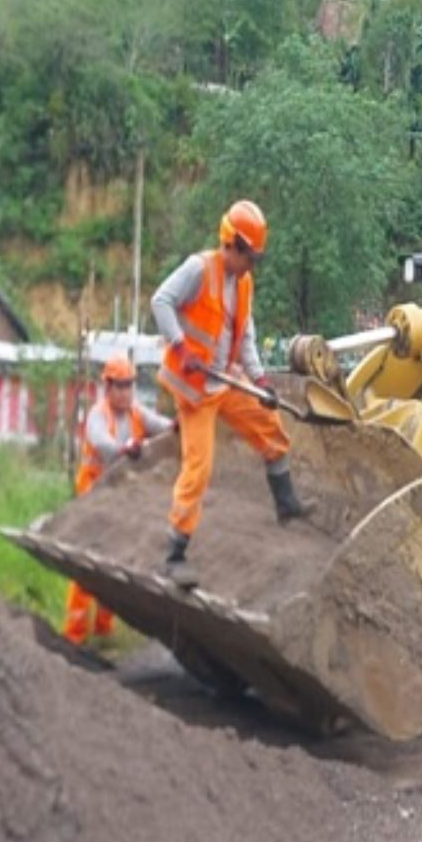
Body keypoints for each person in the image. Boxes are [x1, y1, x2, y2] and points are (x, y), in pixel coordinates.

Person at [150, 199, 310, 587]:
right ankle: (175, 552)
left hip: (225, 379)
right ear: (233, 246)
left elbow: (247, 335)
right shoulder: (198, 269)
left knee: (270, 428)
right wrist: (179, 346)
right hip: (195, 388)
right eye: (250, 257)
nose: (252, 265)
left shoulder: (244, 283)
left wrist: (260, 381)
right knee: (198, 468)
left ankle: (287, 505)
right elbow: (161, 301)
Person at [70, 354, 173, 642]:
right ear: (108, 387)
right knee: (86, 563)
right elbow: (103, 444)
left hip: (119, 500)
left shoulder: (136, 412)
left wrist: (180, 425)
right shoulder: (97, 415)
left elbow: (162, 425)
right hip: (93, 496)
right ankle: (74, 635)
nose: (126, 392)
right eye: (120, 386)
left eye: (130, 385)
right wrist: (125, 448)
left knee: (113, 564)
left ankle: (104, 630)